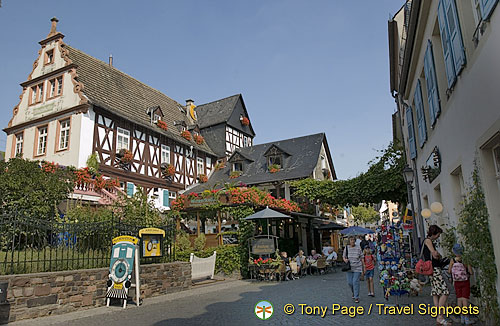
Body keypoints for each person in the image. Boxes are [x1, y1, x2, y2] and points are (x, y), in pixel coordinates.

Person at [423, 225, 450, 325]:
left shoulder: (427, 241)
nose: (438, 237)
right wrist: (438, 254)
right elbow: (434, 253)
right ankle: (440, 316)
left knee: (436, 293)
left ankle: (439, 317)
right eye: (438, 235)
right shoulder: (428, 241)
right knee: (445, 292)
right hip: (434, 269)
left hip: (431, 270)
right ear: (434, 233)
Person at [448, 243, 474, 325]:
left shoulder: (452, 260)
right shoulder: (465, 260)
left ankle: (461, 317)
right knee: (465, 299)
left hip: (456, 282)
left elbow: (449, 271)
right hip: (465, 282)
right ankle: (467, 318)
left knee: (459, 298)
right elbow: (470, 272)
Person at [343, 236, 364, 303]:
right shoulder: (346, 248)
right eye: (351, 240)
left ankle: (356, 297)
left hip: (357, 267)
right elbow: (343, 256)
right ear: (349, 241)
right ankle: (353, 292)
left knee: (355, 282)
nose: (352, 241)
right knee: (350, 283)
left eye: (353, 240)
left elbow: (362, 257)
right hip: (349, 268)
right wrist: (345, 260)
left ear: (355, 241)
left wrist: (364, 267)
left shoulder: (358, 248)